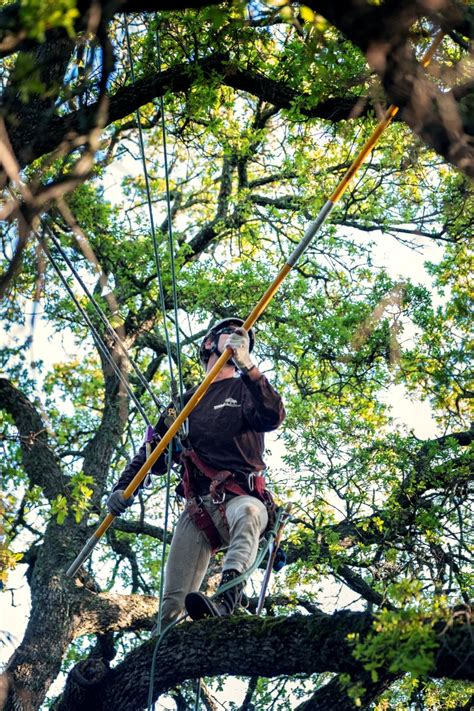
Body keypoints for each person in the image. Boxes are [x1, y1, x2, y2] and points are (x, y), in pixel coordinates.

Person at [107, 317, 285, 626]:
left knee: (251, 513)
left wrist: (249, 366)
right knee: (171, 607)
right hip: (198, 510)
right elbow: (153, 454)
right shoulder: (181, 406)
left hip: (238, 496)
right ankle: (164, 654)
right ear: (208, 343)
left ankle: (227, 597)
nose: (237, 337)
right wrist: (123, 489)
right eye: (230, 333)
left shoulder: (245, 389)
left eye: (244, 338)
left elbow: (272, 416)